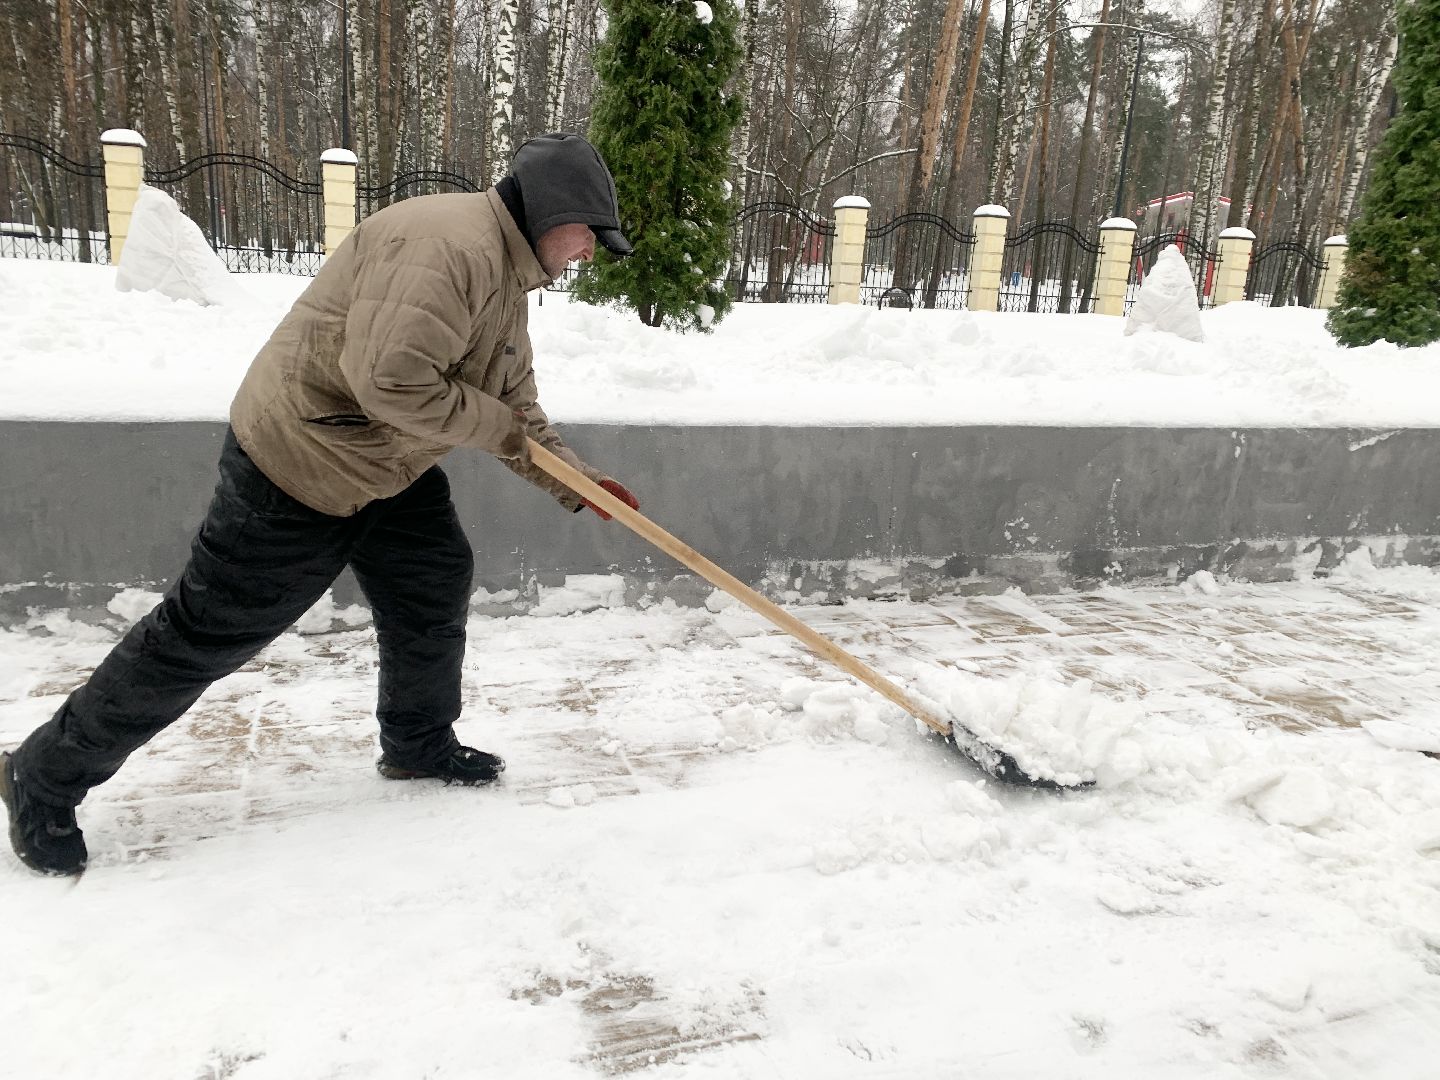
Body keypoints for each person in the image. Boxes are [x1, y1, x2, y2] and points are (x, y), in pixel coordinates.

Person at [0, 133, 640, 877]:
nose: (591, 252)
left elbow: (514, 405)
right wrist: (496, 429)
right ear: (554, 213)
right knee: (204, 633)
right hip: (298, 461)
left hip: (383, 463)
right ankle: (42, 775)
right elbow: (394, 385)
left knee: (432, 579)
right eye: (591, 234)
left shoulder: (503, 271)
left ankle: (417, 741)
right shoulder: (449, 250)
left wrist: (579, 482)